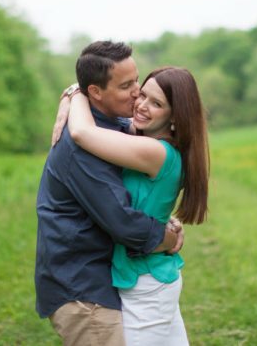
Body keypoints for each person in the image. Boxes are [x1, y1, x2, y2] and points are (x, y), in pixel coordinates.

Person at [34, 41, 184, 346]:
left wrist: (71, 93)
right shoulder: (83, 149)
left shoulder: (111, 124)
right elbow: (123, 222)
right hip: (83, 288)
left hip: (101, 279)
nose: (136, 93)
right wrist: (166, 237)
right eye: (126, 85)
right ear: (96, 93)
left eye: (136, 81)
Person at [61, 65, 210, 345]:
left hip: (146, 287)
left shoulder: (155, 152)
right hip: (151, 277)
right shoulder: (148, 140)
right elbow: (116, 125)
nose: (141, 106)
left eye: (156, 104)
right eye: (142, 95)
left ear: (175, 117)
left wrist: (75, 93)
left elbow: (81, 132)